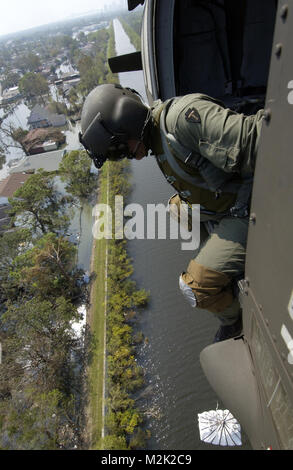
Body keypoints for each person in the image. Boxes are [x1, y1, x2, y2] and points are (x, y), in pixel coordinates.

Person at [79, 83, 264, 342]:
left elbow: (258, 138)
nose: (128, 157)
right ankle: (214, 255)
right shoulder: (157, 136)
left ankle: (234, 321)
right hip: (224, 201)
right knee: (175, 207)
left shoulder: (181, 120)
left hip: (248, 206)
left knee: (194, 289)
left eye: (123, 148)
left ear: (130, 120)